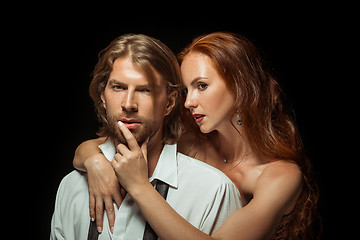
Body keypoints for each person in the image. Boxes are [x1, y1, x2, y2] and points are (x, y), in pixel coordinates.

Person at [74, 32, 320, 239]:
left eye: (201, 86)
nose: (189, 102)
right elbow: (99, 145)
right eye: (185, 90)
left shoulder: (281, 175)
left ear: (240, 85)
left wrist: (139, 186)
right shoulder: (190, 141)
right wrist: (95, 163)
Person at [50, 33, 242, 240]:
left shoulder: (212, 191)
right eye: (118, 87)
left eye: (145, 90)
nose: (129, 104)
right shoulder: (71, 186)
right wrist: (93, 159)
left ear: (169, 103)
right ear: (102, 97)